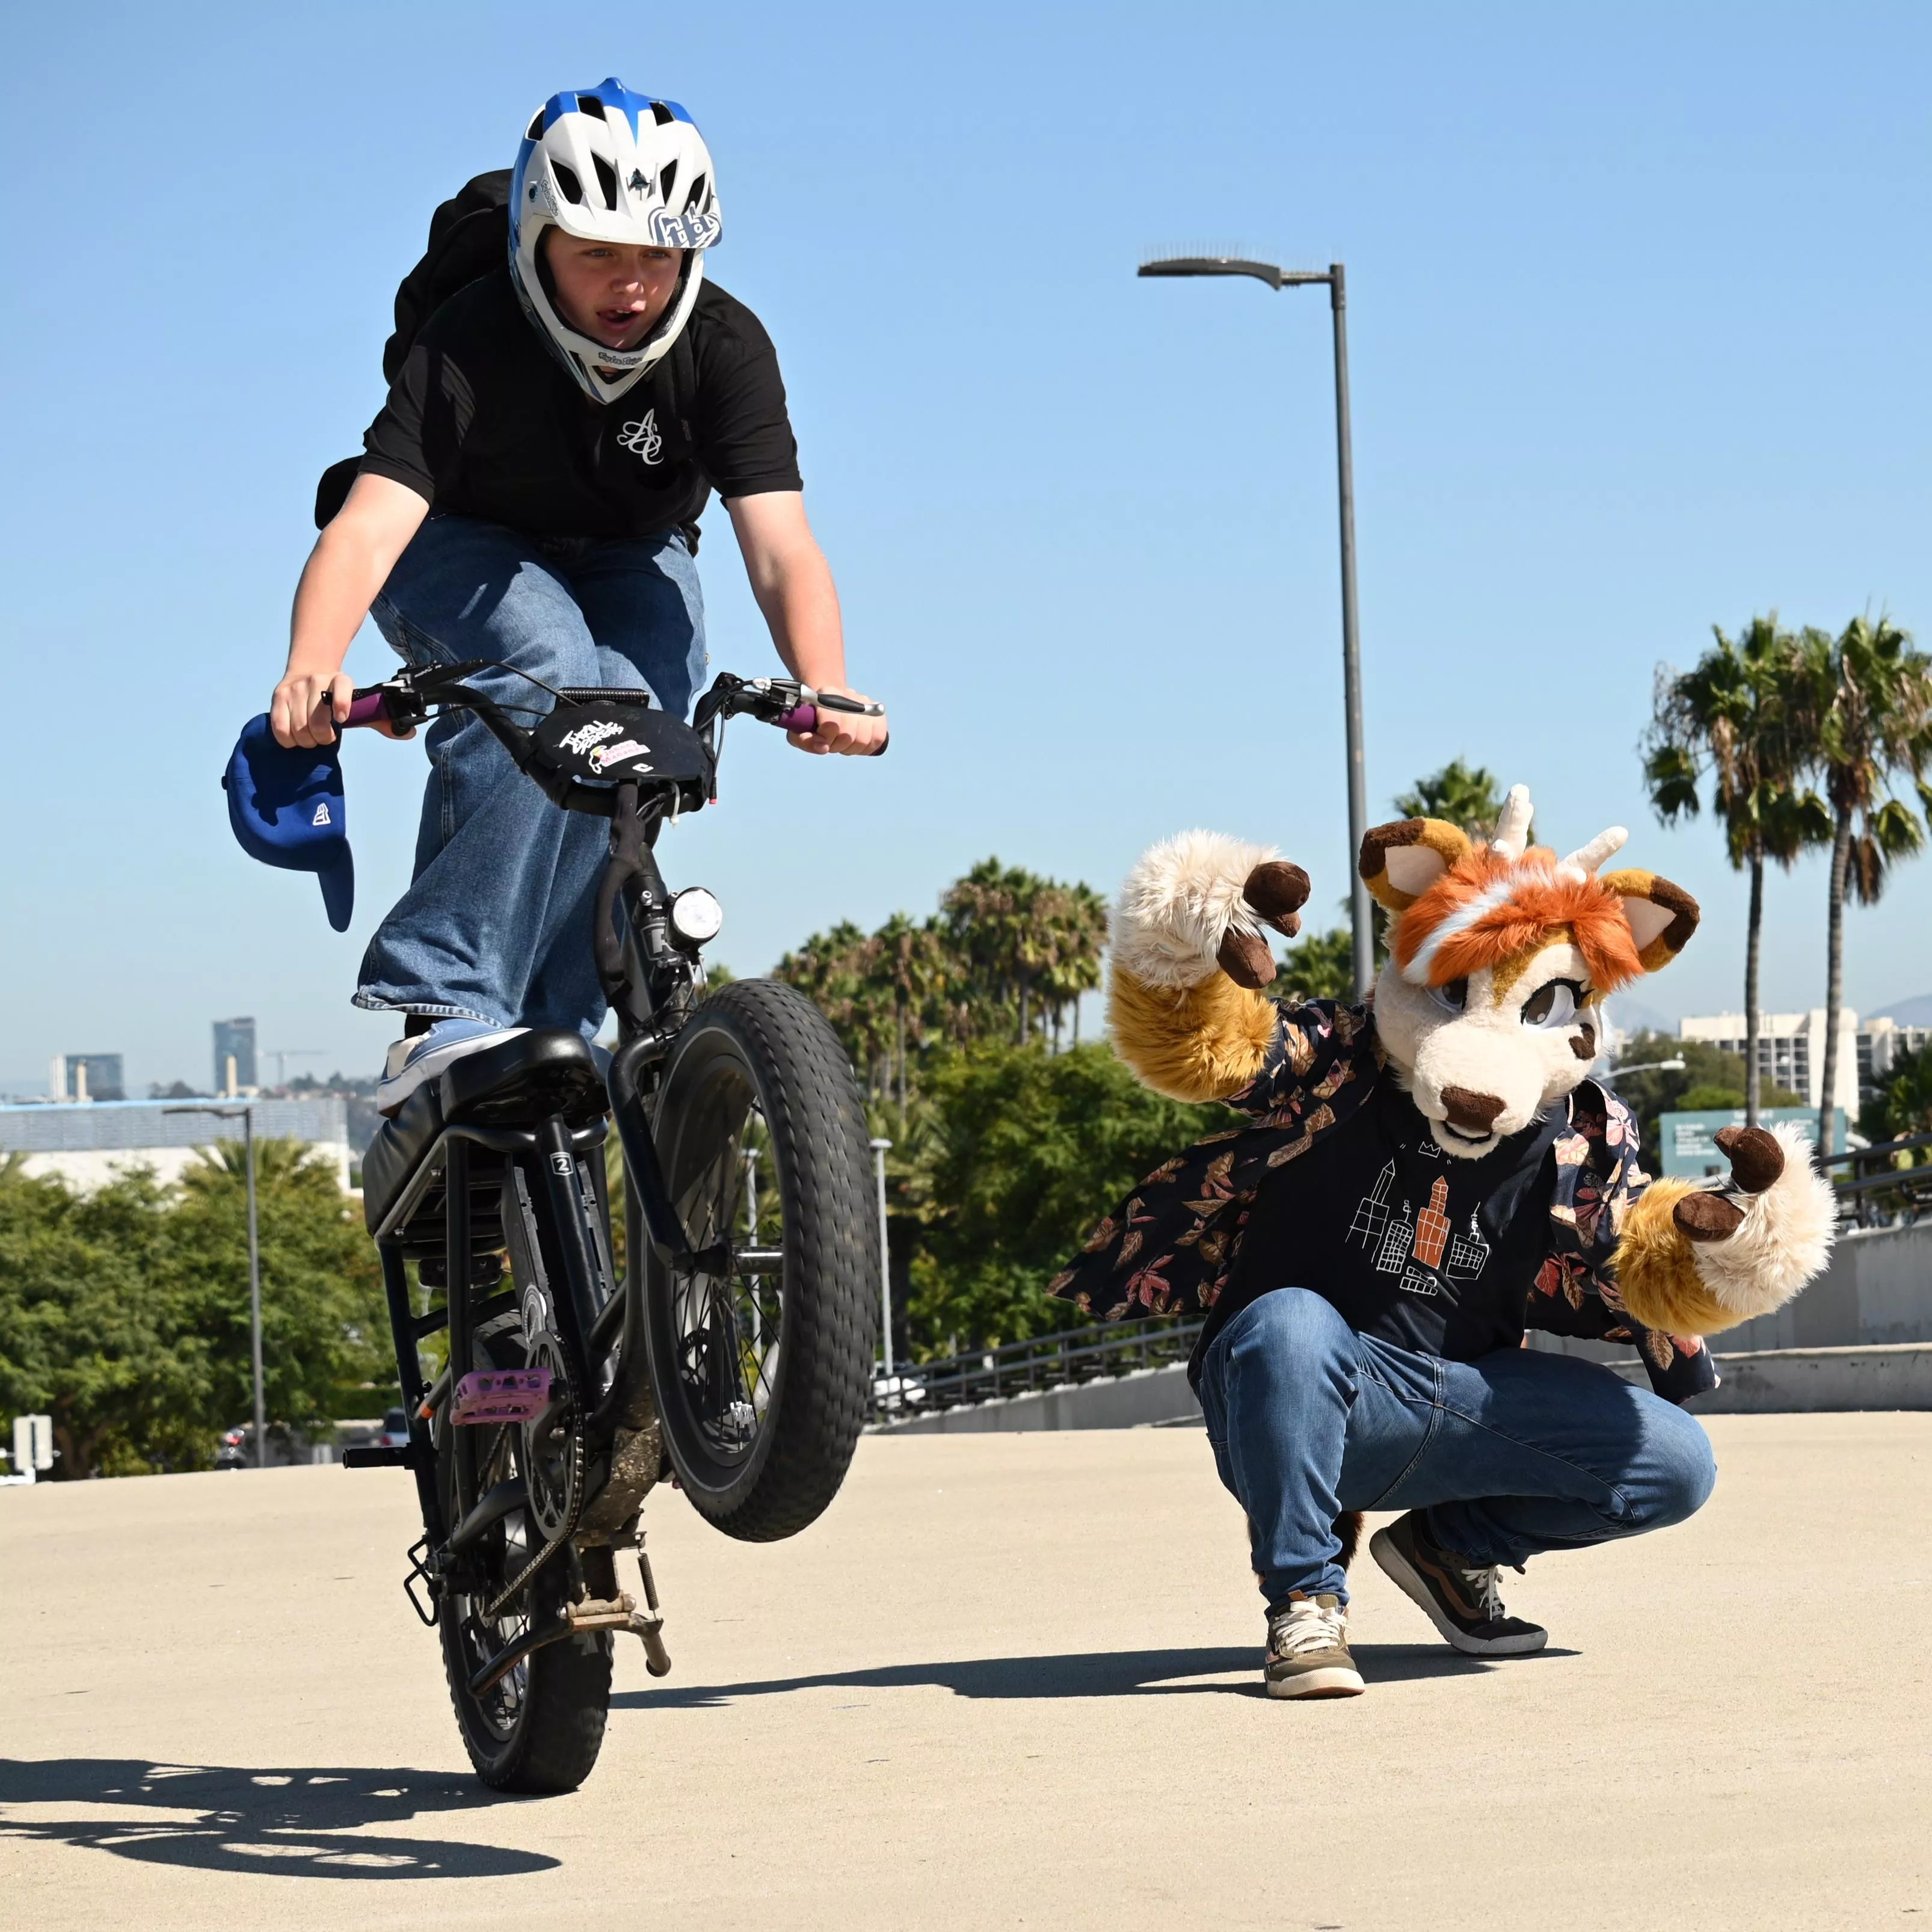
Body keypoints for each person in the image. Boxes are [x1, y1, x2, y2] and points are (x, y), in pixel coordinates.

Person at [268, 79, 885, 1113]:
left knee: (635, 727)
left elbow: (779, 544)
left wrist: (828, 687)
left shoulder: (724, 348)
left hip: (631, 548)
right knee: (547, 667)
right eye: (598, 252)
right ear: (536, 235)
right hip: (457, 539)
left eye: (658, 255)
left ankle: (553, 1034)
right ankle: (448, 1003)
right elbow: (372, 522)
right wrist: (311, 665)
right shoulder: (472, 337)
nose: (632, 285)